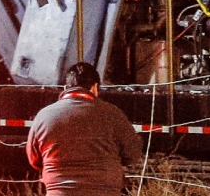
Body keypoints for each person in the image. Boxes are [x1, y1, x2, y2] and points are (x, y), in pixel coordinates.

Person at [25, 61, 143, 196]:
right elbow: (132, 155)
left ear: (65, 87)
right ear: (95, 87)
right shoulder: (112, 114)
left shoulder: (44, 116)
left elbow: (34, 160)